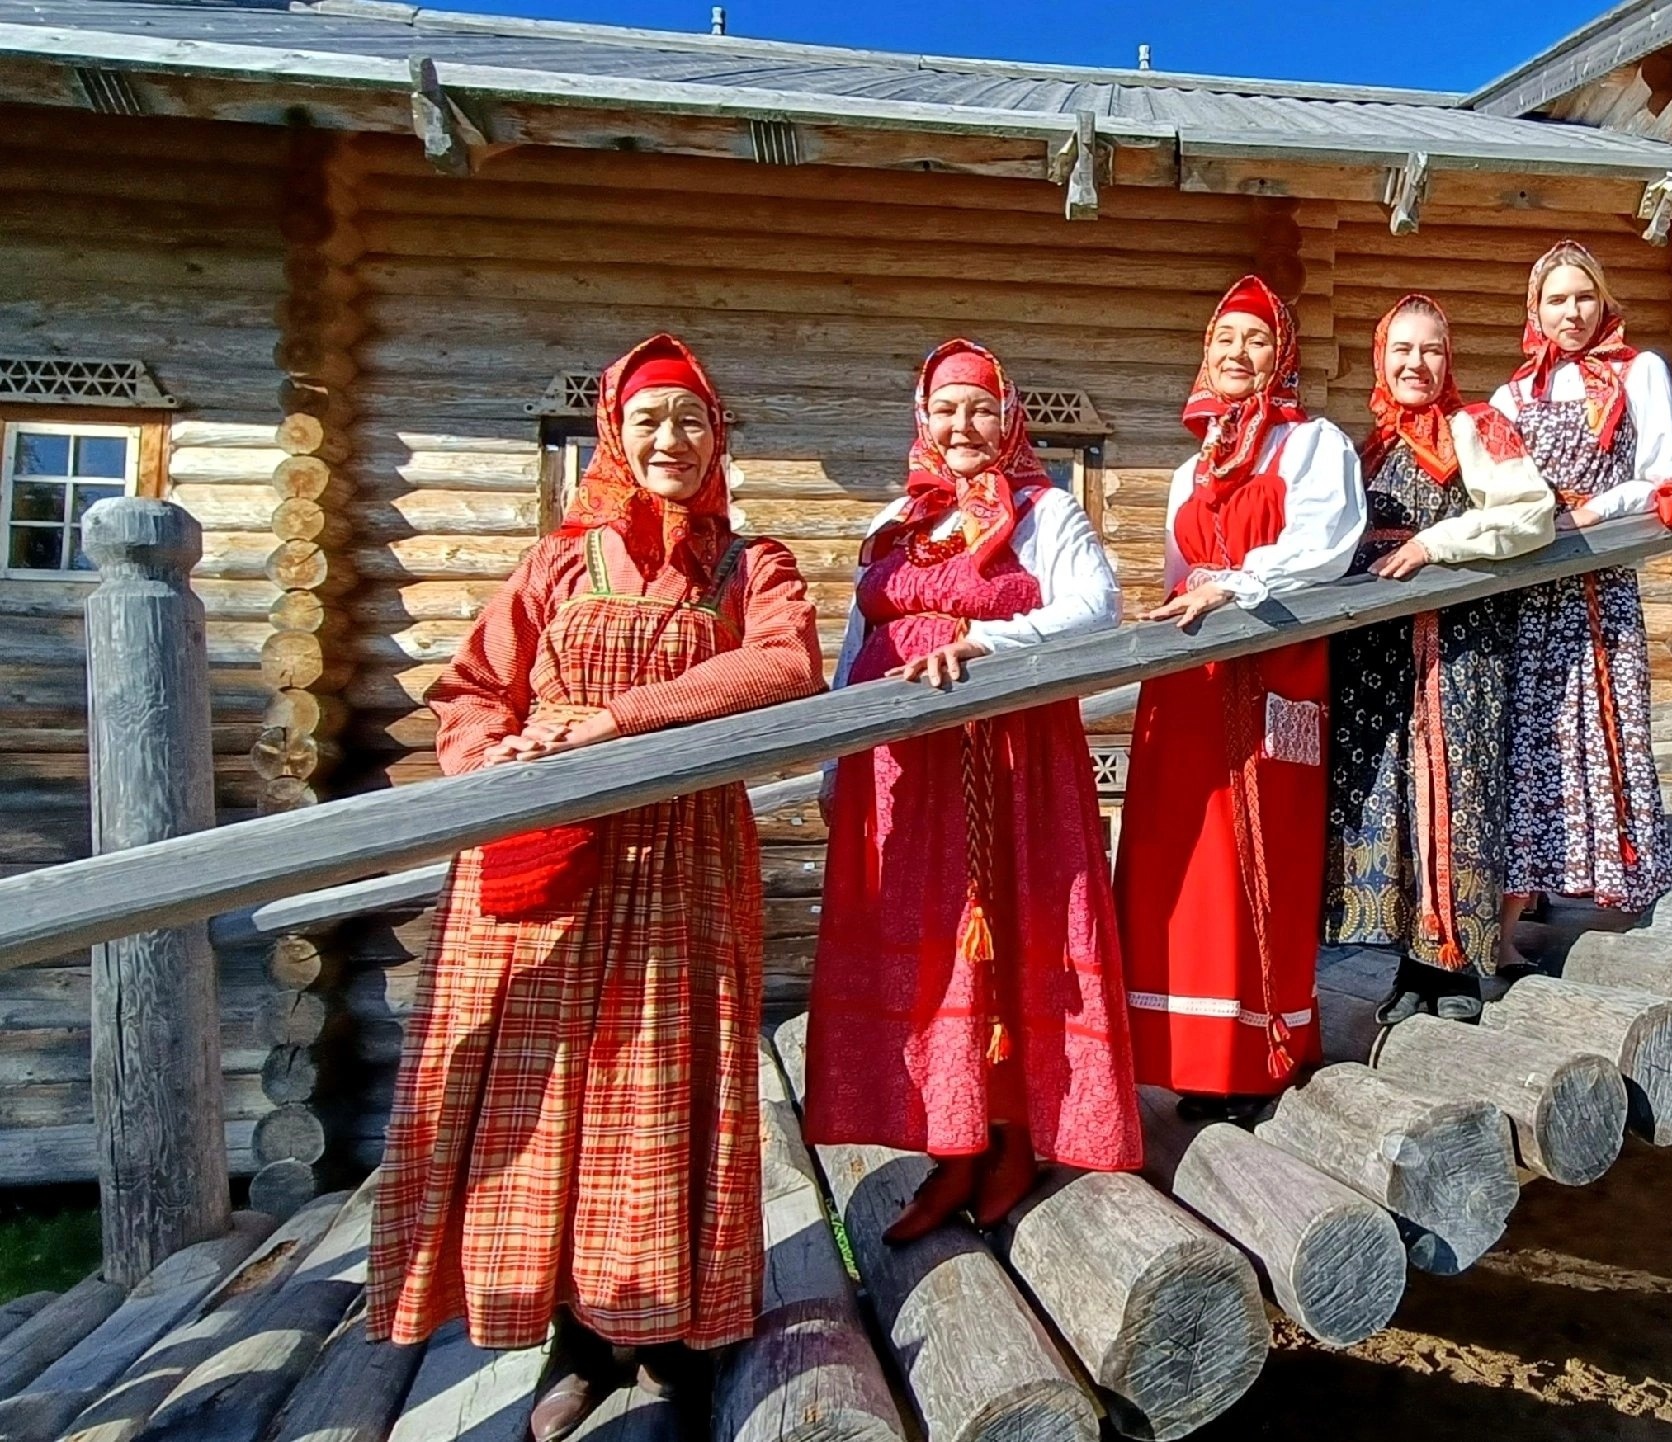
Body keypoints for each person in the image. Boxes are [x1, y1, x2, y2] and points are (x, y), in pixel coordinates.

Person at [366, 335, 825, 1441]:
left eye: (693, 423)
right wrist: (498, 763)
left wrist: (619, 719)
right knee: (557, 1094)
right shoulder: (556, 563)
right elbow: (470, 690)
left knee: (660, 1085)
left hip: (679, 855)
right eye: (649, 421)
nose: (671, 441)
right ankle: (574, 1336)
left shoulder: (749, 564)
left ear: (719, 443)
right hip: (549, 864)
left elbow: (783, 665)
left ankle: (672, 1342)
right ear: (613, 435)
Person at [803, 339, 1141, 1242]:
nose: (962, 425)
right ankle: (949, 1148)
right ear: (923, 419)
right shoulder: (893, 522)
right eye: (946, 409)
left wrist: (986, 646)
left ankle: (1014, 1141)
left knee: (1005, 933)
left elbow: (1092, 608)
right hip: (901, 779)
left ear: (1009, 417)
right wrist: (837, 765)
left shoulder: (1044, 509)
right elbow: (851, 653)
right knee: (928, 947)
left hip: (1008, 767)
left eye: (980, 408)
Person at [1116, 276, 1363, 1118]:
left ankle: (1260, 1052)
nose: (1237, 354)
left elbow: (1325, 544)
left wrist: (1239, 585)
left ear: (1281, 356)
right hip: (1190, 684)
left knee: (1265, 854)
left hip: (1273, 667)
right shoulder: (1191, 465)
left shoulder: (1312, 444)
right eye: (1225, 339)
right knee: (1181, 868)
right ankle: (1192, 1056)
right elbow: (1178, 572)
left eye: (1256, 340)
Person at [1327, 295, 1555, 1025]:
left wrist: (1434, 544)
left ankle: (1456, 970)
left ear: (1447, 358)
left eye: (1429, 350)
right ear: (1381, 358)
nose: (1414, 364)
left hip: (1458, 639)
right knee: (1394, 799)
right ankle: (1411, 967)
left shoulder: (1476, 427)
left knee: (1455, 790)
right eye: (1401, 350)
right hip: (1379, 652)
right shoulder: (1372, 447)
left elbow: (1530, 511)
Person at [1491, 241, 1672, 950]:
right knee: (1531, 740)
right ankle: (1512, 921)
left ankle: (1624, 901)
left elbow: (1665, 477)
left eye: (1582, 296)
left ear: (1603, 300)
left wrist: (1591, 512)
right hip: (1533, 586)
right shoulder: (1515, 395)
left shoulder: (1638, 372)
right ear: (1534, 310)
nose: (1570, 312)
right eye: (1555, 299)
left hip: (1600, 575)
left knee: (1607, 723)